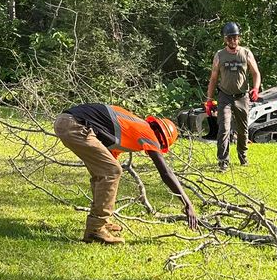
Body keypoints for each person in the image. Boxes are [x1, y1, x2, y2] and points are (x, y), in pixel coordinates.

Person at [53, 103, 198, 244]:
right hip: (75, 125)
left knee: (103, 172)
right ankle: (96, 229)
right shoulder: (148, 133)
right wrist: (187, 203)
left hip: (67, 121)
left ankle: (102, 222)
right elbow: (165, 173)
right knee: (112, 171)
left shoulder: (130, 127)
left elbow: (103, 173)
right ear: (161, 139)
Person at [204, 22, 261, 172]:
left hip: (242, 97)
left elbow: (256, 73)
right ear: (225, 39)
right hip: (225, 96)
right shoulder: (219, 55)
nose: (232, 41)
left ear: (239, 38)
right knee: (224, 128)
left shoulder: (246, 53)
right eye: (229, 38)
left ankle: (243, 156)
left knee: (243, 130)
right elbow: (214, 78)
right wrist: (209, 100)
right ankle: (223, 161)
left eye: (235, 38)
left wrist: (255, 88)